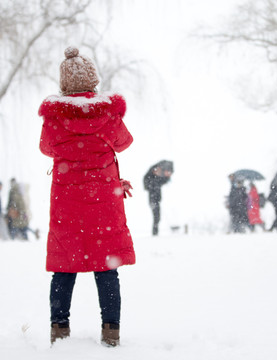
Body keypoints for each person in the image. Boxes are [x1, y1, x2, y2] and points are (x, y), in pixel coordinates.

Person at [39, 47, 135, 347]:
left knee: (64, 266)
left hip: (67, 203)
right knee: (106, 266)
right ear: (93, 80)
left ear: (63, 84)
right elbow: (124, 142)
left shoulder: (54, 118)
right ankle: (111, 331)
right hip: (103, 201)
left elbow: (46, 148)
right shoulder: (107, 113)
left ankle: (59, 329)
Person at [143, 163, 172, 236]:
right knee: (156, 217)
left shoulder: (158, 179)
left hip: (157, 201)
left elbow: (164, 180)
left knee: (158, 217)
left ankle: (155, 233)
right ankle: (155, 233)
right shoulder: (150, 179)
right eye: (157, 170)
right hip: (153, 201)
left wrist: (167, 177)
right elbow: (146, 185)